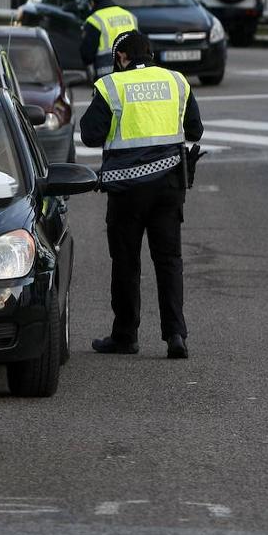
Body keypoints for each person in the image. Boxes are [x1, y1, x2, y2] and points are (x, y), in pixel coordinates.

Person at [80, 30, 204, 359]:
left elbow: (90, 135)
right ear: (149, 53)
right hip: (169, 189)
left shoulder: (112, 87)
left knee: (126, 263)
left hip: (126, 190)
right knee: (168, 262)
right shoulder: (177, 82)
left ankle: (125, 336)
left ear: (121, 57)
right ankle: (175, 336)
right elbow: (195, 130)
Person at [80, 0, 138, 77]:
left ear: (92, 2)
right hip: (129, 68)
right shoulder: (129, 15)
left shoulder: (95, 20)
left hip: (105, 71)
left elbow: (87, 53)